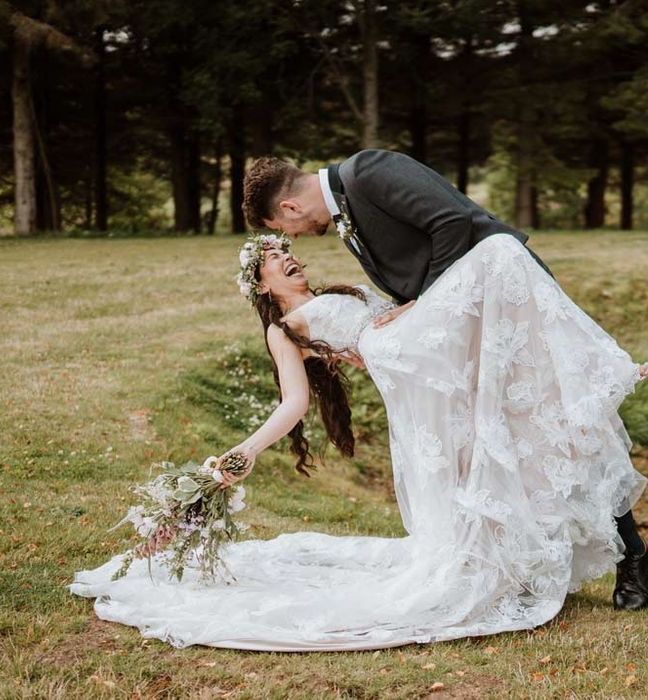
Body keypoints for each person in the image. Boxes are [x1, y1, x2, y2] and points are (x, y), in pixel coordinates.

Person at [70, 232, 648, 651]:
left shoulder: (337, 292)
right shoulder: (284, 328)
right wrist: (241, 454)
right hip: (405, 361)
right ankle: (598, 369)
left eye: (286, 251)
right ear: (261, 285)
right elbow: (293, 402)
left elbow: (393, 315)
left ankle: (581, 381)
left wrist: (397, 318)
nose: (289, 259)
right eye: (274, 259)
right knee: (496, 252)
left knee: (498, 415)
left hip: (414, 357)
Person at [241, 150, 648, 611]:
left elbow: (455, 223)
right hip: (461, 341)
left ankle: (633, 559)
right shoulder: (343, 220)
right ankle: (532, 561)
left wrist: (420, 307)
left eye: (282, 230)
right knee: (524, 444)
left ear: (289, 208)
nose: (291, 239)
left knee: (565, 426)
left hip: (502, 308)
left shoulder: (369, 170)